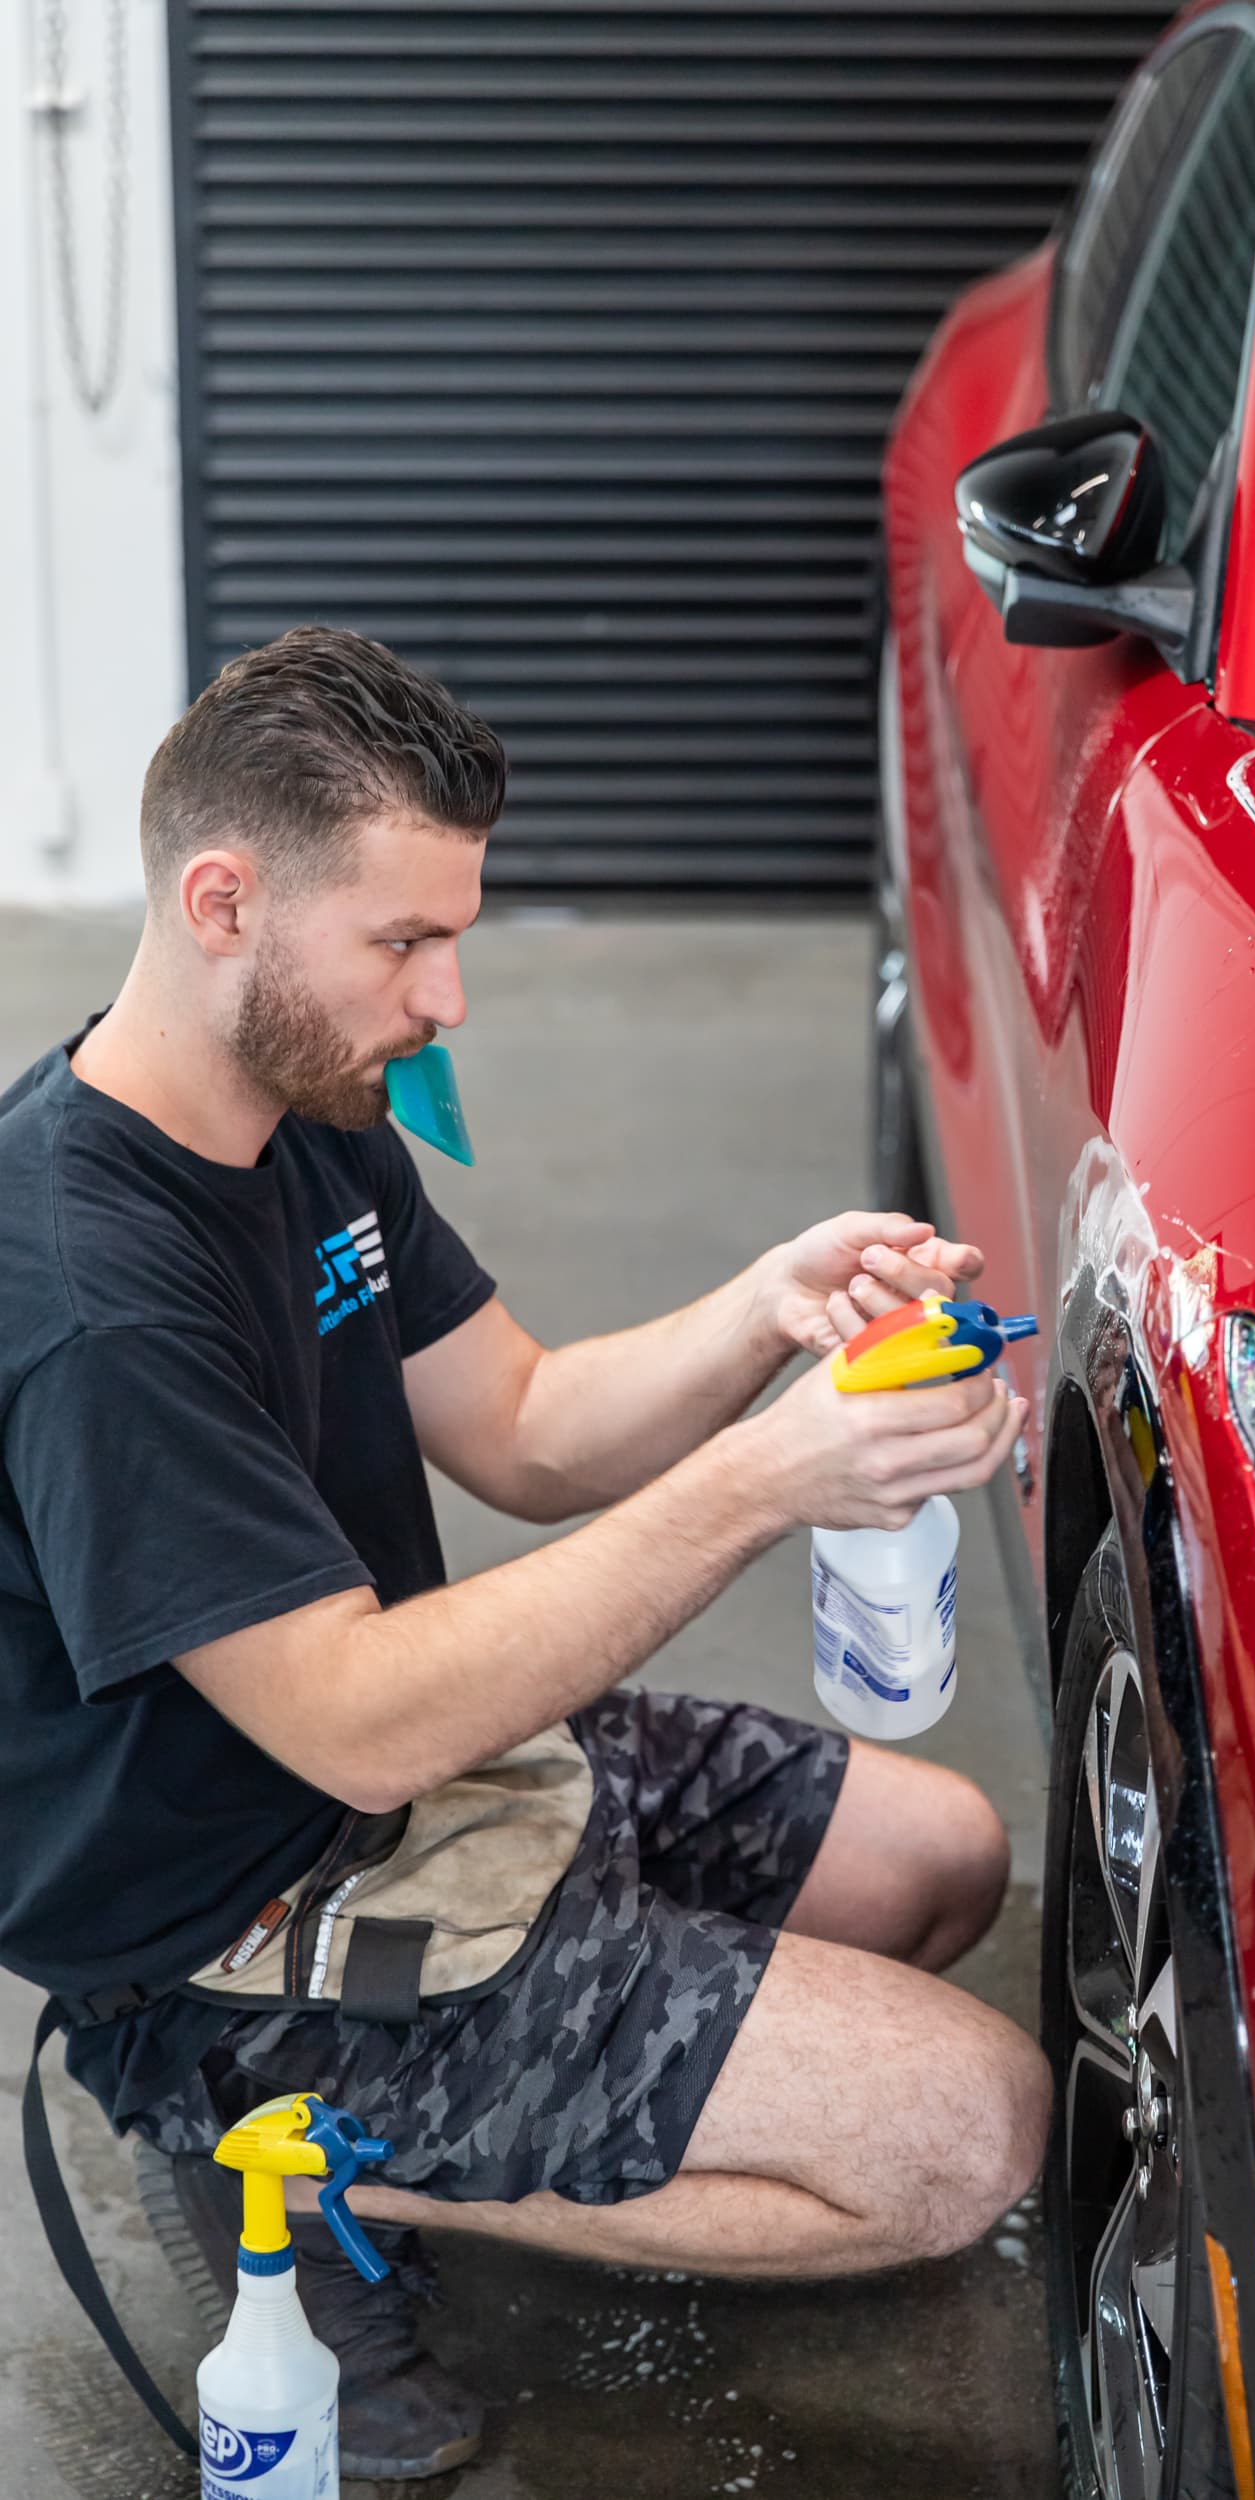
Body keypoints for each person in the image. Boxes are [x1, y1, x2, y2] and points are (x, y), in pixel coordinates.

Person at [0, 626, 1050, 2480]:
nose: (450, 998)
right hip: (243, 1917)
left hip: (437, 1766)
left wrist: (766, 1308)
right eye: (405, 942)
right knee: (973, 2135)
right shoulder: (96, 1292)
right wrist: (767, 1482)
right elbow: (354, 1724)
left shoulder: (304, 1111)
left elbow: (529, 1423)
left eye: (458, 935)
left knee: (946, 1861)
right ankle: (257, 2145)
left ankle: (544, 2046)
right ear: (223, 902)